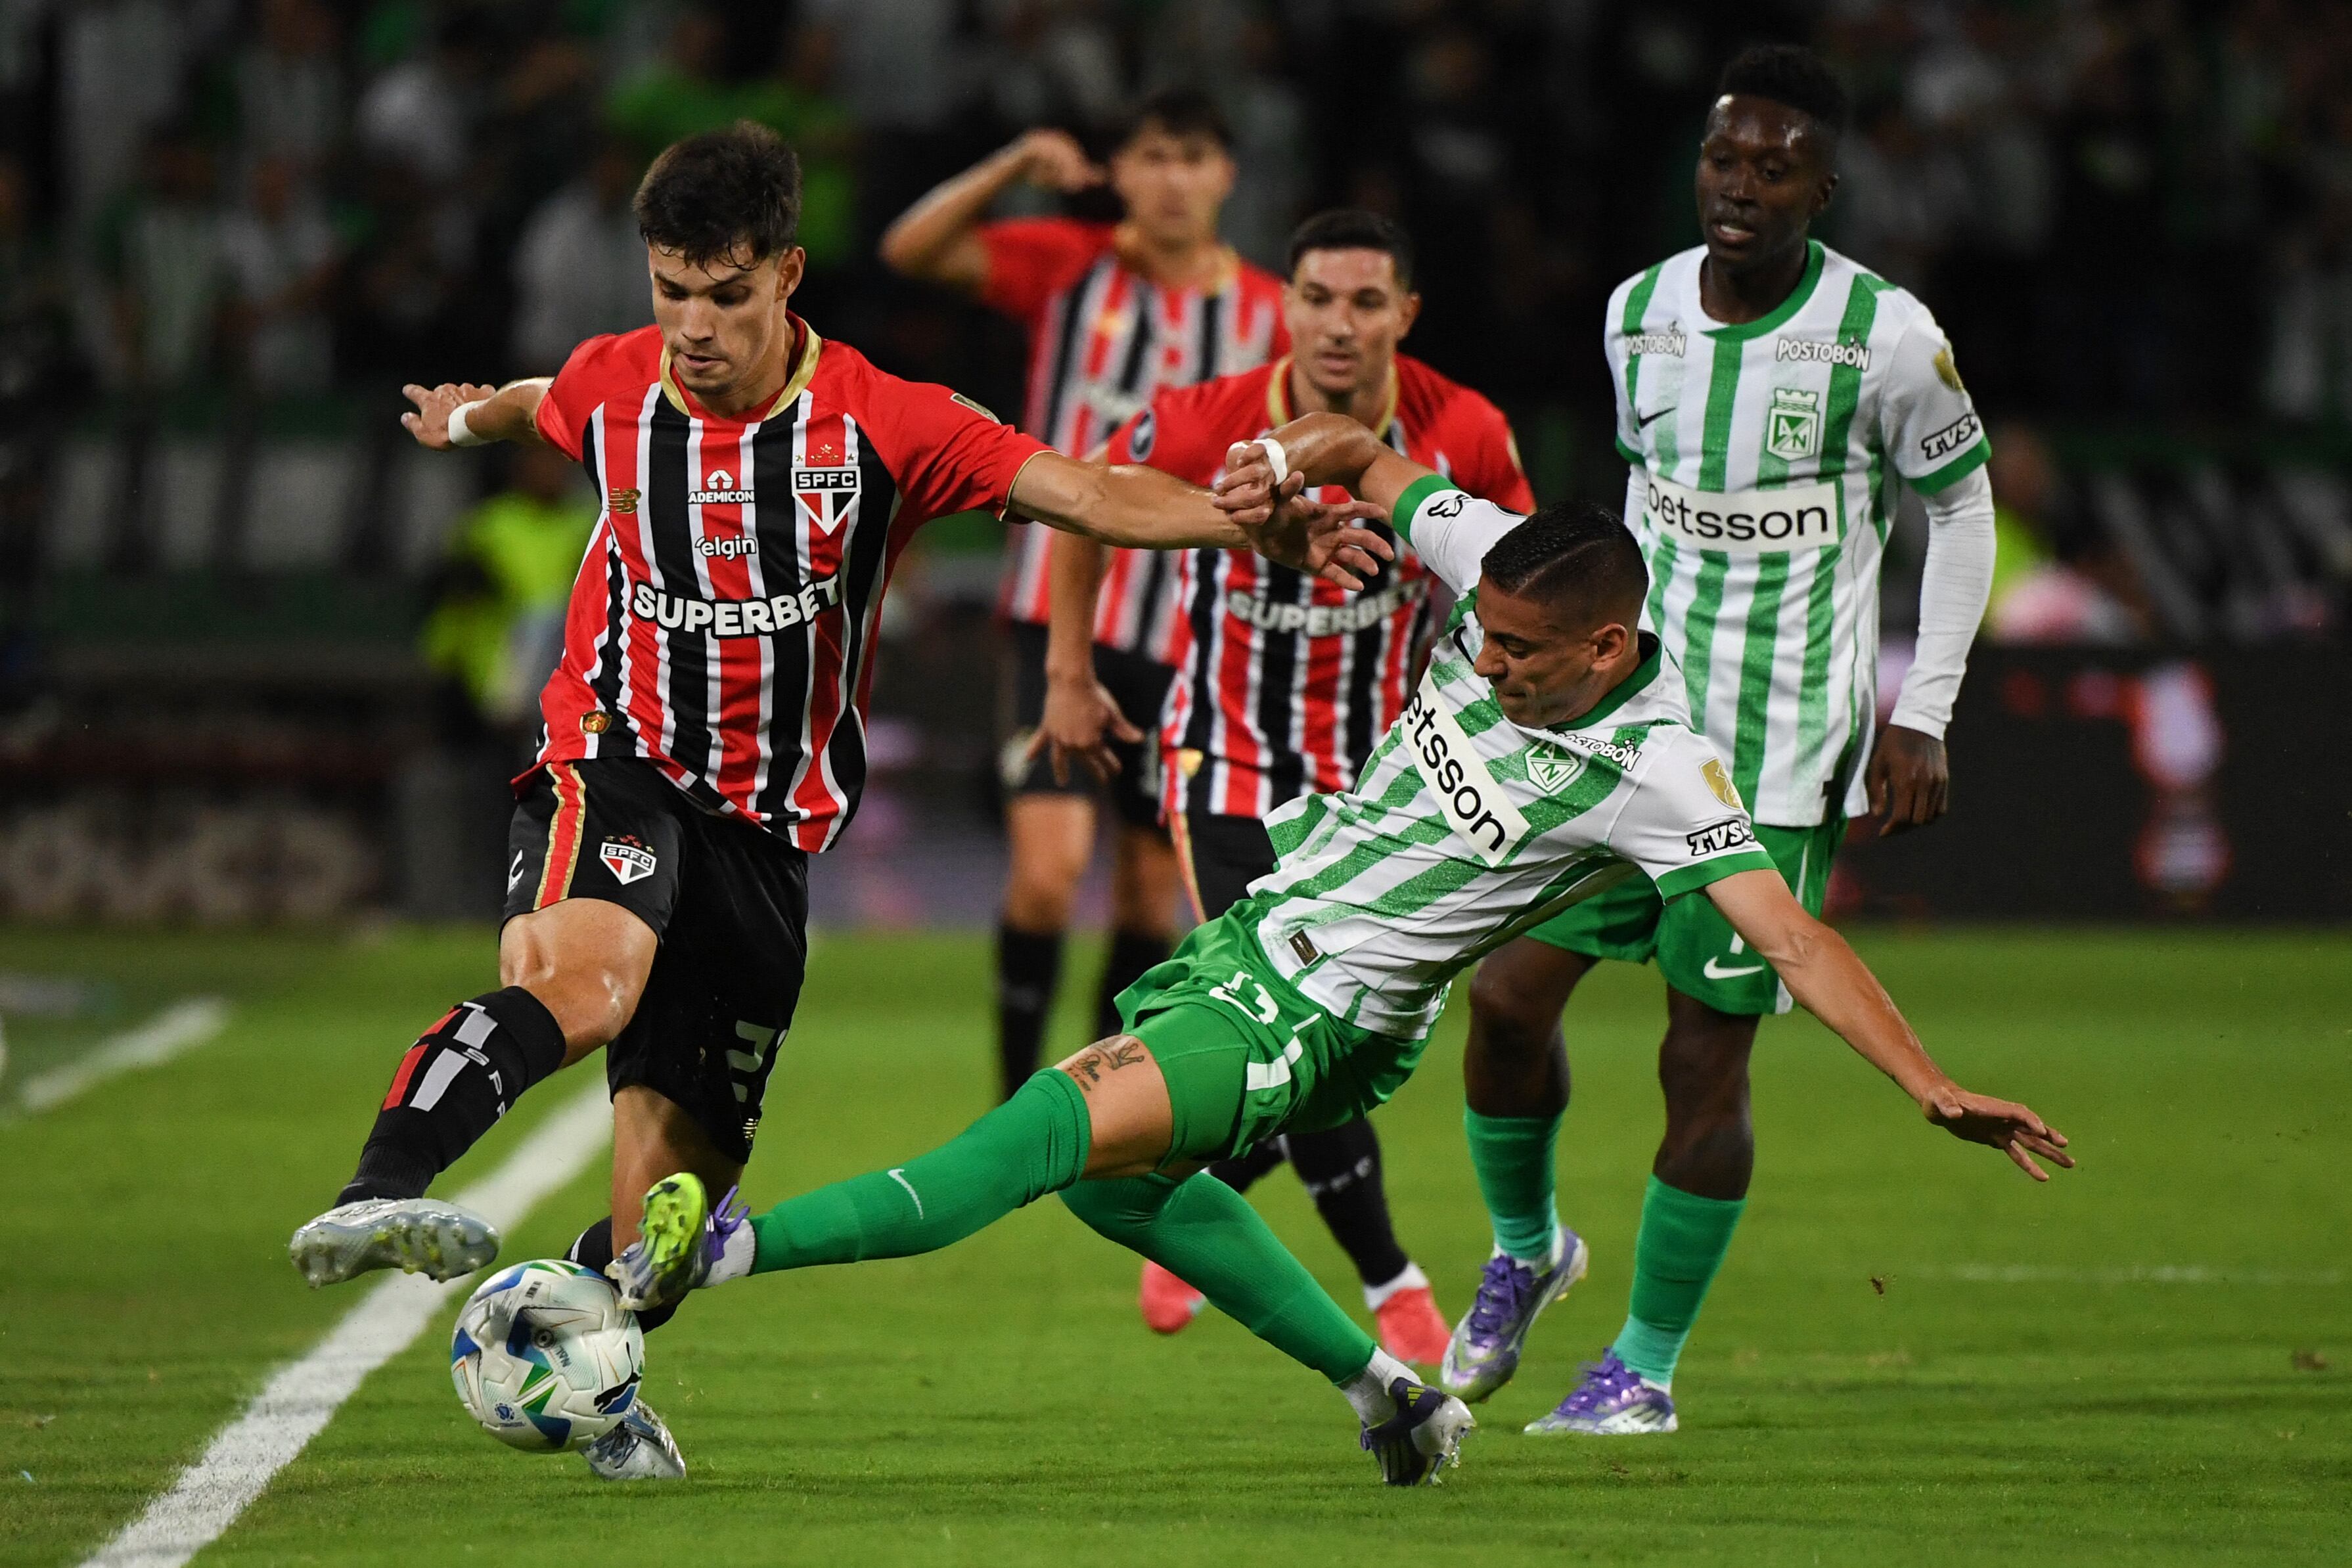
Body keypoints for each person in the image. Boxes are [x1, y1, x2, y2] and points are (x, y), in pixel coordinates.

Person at [605, 414, 2070, 1488]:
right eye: (1477, 637)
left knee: (1040, 1131)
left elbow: (1795, 941)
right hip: (1252, 939)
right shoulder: (1487, 565)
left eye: (1516, 657)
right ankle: (1390, 1394)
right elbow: (1369, 457)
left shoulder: (1659, 771)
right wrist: (1280, 464)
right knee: (1119, 1199)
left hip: (1310, 1013)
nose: (1483, 668)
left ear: (1608, 651)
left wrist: (1926, 1083)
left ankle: (717, 1251)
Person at [283, 122, 1390, 1484]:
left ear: (786, 276)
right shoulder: (614, 384)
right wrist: (465, 414)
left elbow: (1085, 490)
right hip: (613, 753)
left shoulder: (885, 419)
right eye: (670, 290)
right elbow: (542, 394)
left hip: (770, 828)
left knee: (668, 1230)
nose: (691, 326)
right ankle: (379, 1190)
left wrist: (1245, 524)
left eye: (725, 294)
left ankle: (597, 1371)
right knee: (590, 983)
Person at [1441, 45, 2002, 1437]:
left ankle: (1641, 1366)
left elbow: (1963, 517)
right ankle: (1525, 1250)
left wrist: (1918, 709)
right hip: (1620, 728)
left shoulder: (1885, 333)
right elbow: (1643, 508)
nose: (1738, 189)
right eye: (1719, 161)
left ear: (1824, 185)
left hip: (1776, 751)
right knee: (1504, 1000)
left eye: (1770, 167)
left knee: (1701, 1056)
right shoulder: (1638, 312)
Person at [1034, 210, 1529, 1362]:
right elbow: (1075, 499)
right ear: (1284, 306)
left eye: (1365, 302)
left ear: (1406, 312)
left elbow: (1521, 580)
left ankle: (1192, 1182)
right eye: (1315, 297)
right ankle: (1391, 1276)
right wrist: (1067, 669)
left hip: (1385, 779)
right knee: (1298, 1000)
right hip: (1228, 762)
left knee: (1322, 1032)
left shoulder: (1468, 429)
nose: (1337, 324)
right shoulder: (1211, 418)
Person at [880, 89, 1286, 1102]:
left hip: (1195, 635)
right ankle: (1014, 1099)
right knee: (1048, 873)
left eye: (1194, 157)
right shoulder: (1071, 267)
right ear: (1122, 174)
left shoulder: (1274, 315)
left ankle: (1093, 1102)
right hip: (1057, 621)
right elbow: (912, 251)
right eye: (1154, 156)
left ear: (1226, 176)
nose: (1175, 179)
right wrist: (1012, 161)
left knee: (1153, 892)